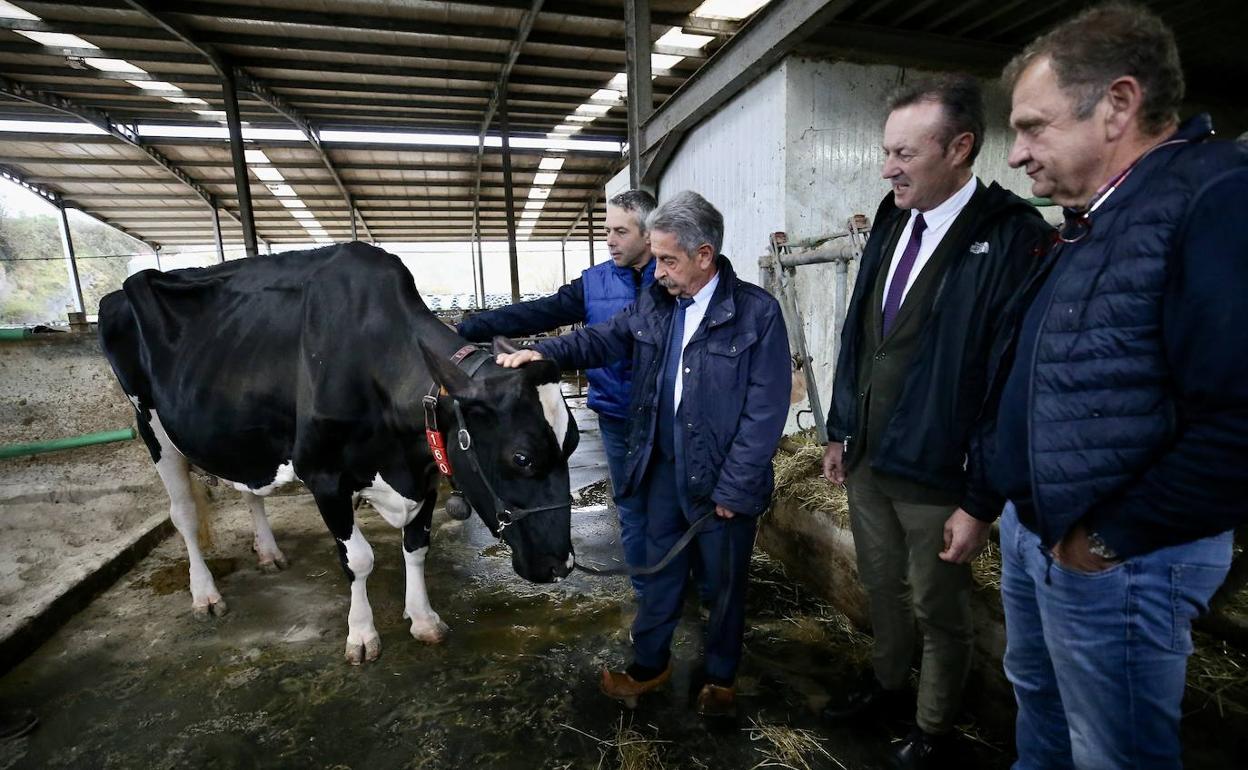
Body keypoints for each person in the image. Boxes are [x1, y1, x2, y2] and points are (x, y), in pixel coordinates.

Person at [969, 4, 1248, 768]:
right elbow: (1036, 373)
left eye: (1034, 126)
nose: (1018, 153)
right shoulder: (1092, 220)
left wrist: (1106, 539)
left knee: (1112, 750)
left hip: (1125, 557)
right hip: (1043, 532)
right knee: (1043, 709)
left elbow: (1238, 420)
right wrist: (995, 497)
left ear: (1119, 104)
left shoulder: (1213, 197)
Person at [820, 75, 1051, 767]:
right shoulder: (891, 217)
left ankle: (933, 725)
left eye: (904, 154)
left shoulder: (1013, 237)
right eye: (885, 152)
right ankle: (889, 684)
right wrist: (839, 426)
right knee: (882, 587)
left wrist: (980, 491)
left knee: (937, 605)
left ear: (960, 148)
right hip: (869, 457)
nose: (888, 168)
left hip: (939, 470)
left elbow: (1011, 376)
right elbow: (858, 335)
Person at [496, 191, 790, 717]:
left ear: (705, 255)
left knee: (722, 588)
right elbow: (604, 338)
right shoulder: (658, 302)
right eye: (654, 257)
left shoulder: (755, 313)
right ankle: (650, 664)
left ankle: (722, 677)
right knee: (655, 573)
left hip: (720, 483)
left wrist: (738, 485)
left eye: (668, 260)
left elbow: (765, 411)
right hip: (659, 468)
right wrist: (546, 355)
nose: (657, 271)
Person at [458, 190, 657, 594]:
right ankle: (647, 593)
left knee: (676, 504)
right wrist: (467, 328)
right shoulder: (595, 282)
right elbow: (537, 311)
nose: (610, 240)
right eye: (607, 230)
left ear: (649, 233)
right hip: (618, 418)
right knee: (633, 509)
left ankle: (686, 580)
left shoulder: (672, 278)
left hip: (669, 417)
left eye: (620, 231)